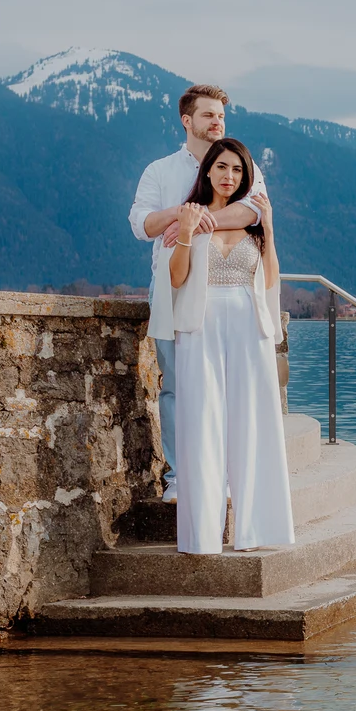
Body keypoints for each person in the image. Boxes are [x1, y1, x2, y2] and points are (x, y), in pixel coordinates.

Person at [128, 83, 267, 501]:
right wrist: (179, 214)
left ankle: (225, 475)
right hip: (171, 288)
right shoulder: (160, 171)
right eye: (209, 115)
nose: (217, 121)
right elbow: (142, 225)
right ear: (187, 121)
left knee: (224, 384)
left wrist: (194, 220)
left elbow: (255, 210)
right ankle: (179, 479)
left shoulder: (240, 163)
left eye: (221, 115)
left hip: (226, 289)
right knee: (176, 385)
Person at [158, 138, 294, 555]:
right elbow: (176, 279)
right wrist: (183, 234)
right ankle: (202, 536)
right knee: (202, 424)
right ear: (208, 171)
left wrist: (269, 231)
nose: (229, 176)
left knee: (253, 424)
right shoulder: (192, 217)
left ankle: (255, 530)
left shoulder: (254, 221)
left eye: (237, 170)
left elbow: (271, 280)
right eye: (221, 168)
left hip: (249, 327)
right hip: (200, 327)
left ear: (244, 175)